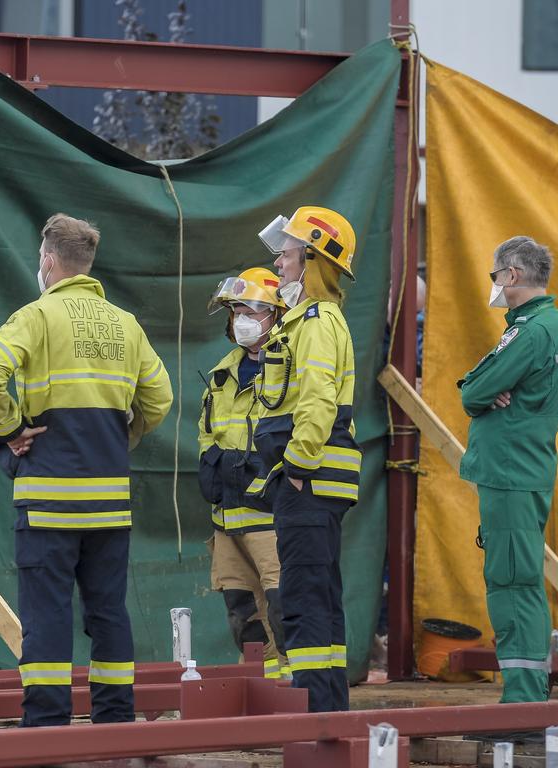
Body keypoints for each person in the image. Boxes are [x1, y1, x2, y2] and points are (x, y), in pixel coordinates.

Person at [0, 213, 172, 727]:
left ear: (48, 261)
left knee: (48, 614)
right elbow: (162, 398)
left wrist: (13, 429)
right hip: (108, 505)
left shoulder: (37, 316)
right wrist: (124, 436)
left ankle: (46, 724)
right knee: (108, 613)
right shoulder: (125, 323)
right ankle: (114, 720)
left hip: (47, 505)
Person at [247, 206, 362, 713]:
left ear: (313, 260)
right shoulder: (310, 321)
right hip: (317, 481)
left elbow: (317, 402)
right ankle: (329, 708)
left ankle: (315, 714)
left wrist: (295, 468)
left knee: (303, 599)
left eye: (289, 253)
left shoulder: (314, 323)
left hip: (308, 481)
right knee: (320, 595)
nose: (280, 263)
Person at [458, 236, 558, 703]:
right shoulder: (547, 326)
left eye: (496, 275)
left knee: (511, 582)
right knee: (520, 579)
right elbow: (483, 386)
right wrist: (486, 387)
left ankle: (523, 701)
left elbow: (472, 393)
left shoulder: (533, 330)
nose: (496, 285)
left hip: (510, 470)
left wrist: (483, 390)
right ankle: (527, 696)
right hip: (522, 469)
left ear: (514, 275)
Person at [200, 267, 288, 679]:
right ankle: (260, 681)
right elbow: (208, 435)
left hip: (273, 517)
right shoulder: (222, 374)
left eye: (252, 310)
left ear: (277, 316)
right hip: (227, 520)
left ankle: (294, 685)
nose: (242, 320)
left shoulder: (291, 370)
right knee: (241, 610)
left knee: (285, 606)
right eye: (236, 311)